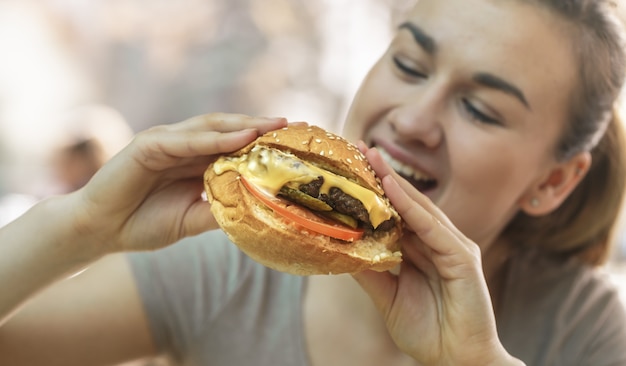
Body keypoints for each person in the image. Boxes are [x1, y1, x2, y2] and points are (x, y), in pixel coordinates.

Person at [1, 0, 626, 365]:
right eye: (408, 64)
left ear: (553, 181)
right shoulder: (221, 264)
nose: (412, 119)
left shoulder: (585, 326)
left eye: (481, 109)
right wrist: (85, 223)